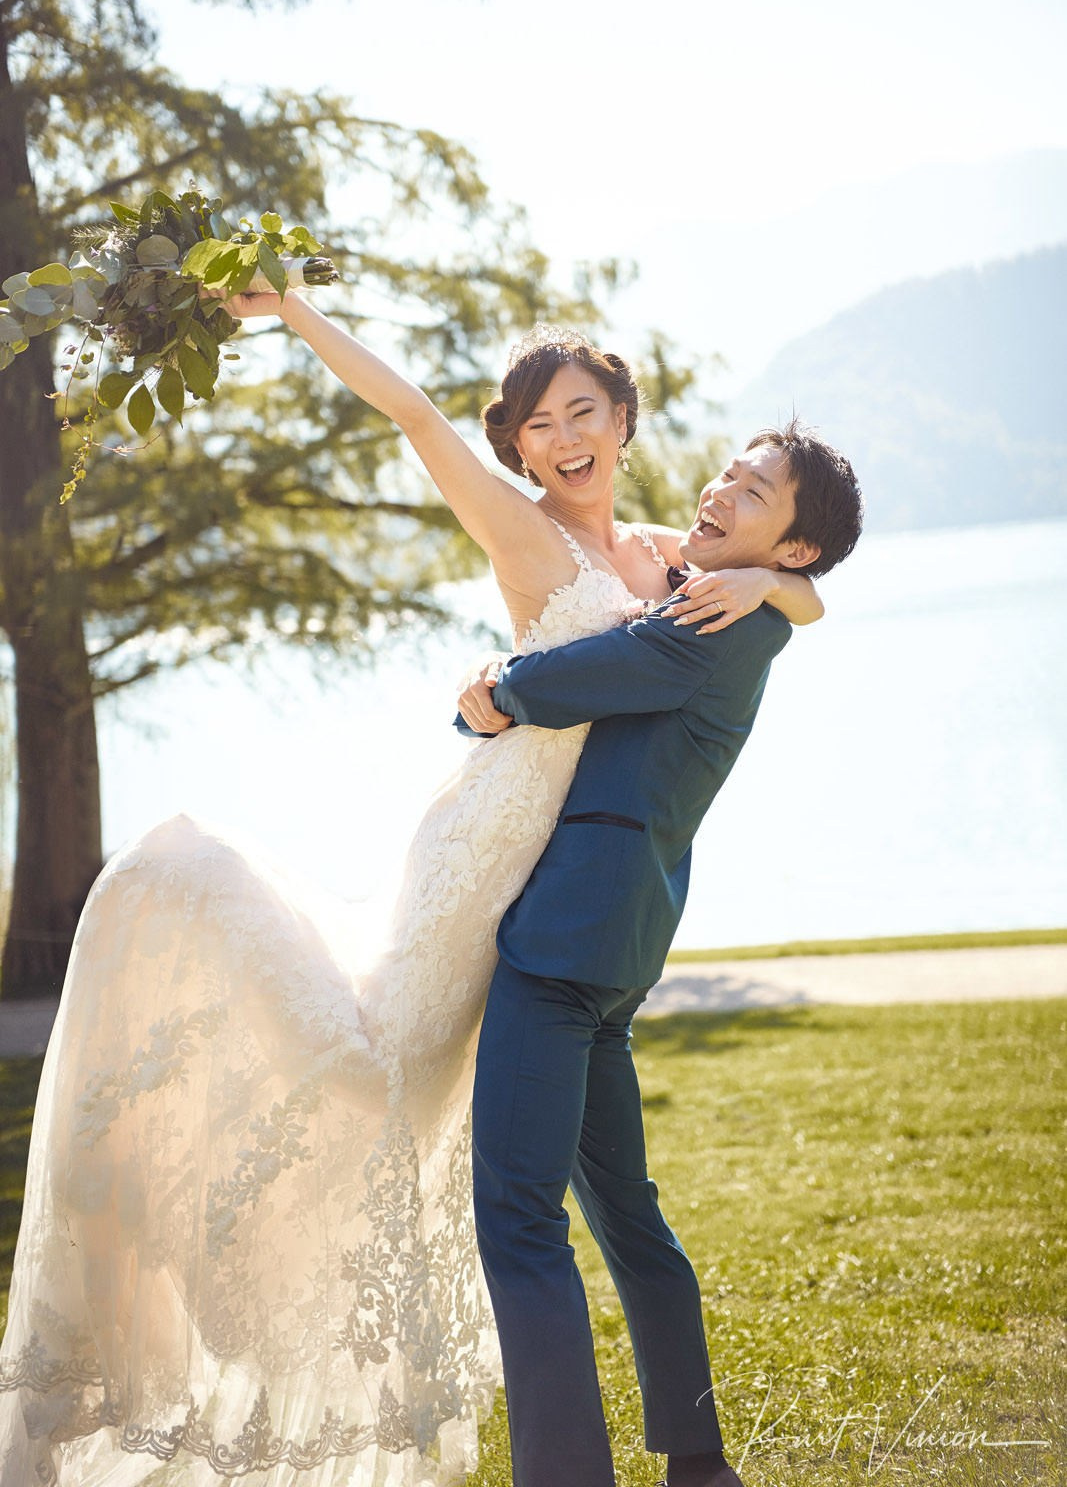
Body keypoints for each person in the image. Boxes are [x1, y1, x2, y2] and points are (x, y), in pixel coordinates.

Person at [0, 306, 823, 1486]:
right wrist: (292, 308)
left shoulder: (675, 561)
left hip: (561, 898)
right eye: (538, 426)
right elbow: (412, 414)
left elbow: (795, 583)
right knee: (374, 1067)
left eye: (583, 411)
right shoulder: (522, 530)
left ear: (625, 422)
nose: (563, 436)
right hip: (488, 859)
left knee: (566, 1194)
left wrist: (778, 594)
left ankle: (685, 1459)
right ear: (522, 452)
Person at [455, 423, 863, 1487]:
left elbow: (586, 673)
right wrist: (783, 592)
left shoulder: (709, 619)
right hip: (615, 943)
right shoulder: (741, 601)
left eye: (755, 490)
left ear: (790, 547)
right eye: (728, 470)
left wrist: (498, 690)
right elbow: (801, 600)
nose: (721, 486)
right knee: (626, 1215)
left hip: (566, 943)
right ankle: (698, 1463)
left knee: (516, 1215)